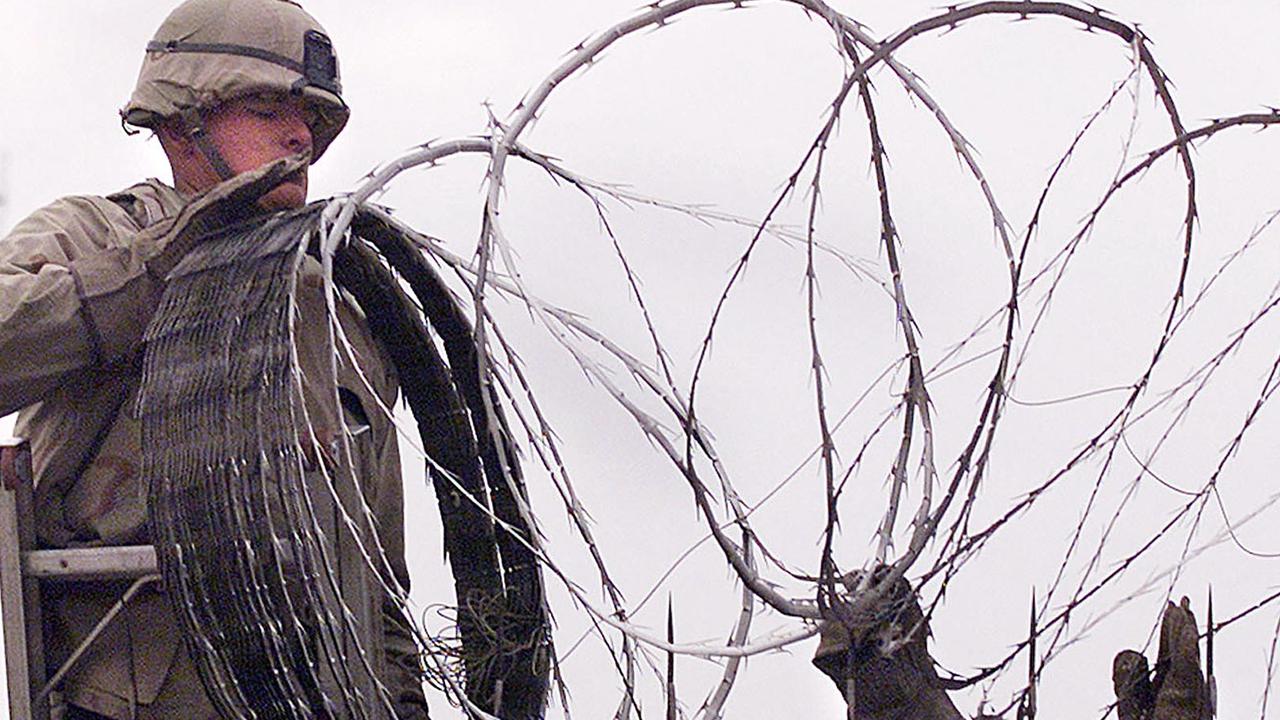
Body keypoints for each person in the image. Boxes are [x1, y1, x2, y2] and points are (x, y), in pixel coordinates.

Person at [0, 1, 429, 717]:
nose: (300, 134)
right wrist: (155, 270)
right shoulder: (95, 237)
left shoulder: (341, 314)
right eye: (267, 110)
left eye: (314, 121)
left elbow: (380, 581)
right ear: (180, 121)